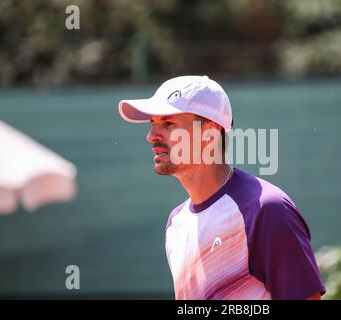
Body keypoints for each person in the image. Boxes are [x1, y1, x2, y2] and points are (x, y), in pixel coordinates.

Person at [118, 75, 325, 300]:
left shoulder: (266, 209)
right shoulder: (175, 223)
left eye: (168, 123)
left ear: (210, 133)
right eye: (152, 124)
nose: (151, 136)